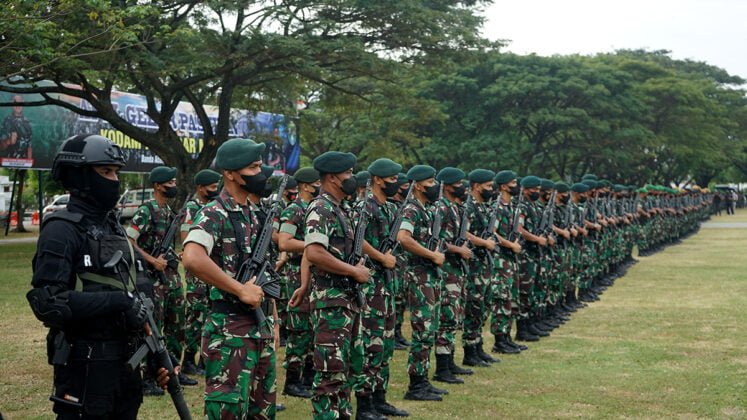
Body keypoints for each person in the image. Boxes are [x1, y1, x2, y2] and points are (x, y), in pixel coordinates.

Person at [27, 134, 172, 418]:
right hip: (86, 369)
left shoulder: (114, 228)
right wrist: (118, 301)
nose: (114, 180)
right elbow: (49, 303)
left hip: (125, 369)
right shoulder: (61, 229)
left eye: (116, 172)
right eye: (106, 172)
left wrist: (156, 355)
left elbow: (138, 292)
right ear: (80, 176)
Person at [182, 138, 277, 419]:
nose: (260, 173)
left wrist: (273, 322)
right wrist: (239, 289)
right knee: (228, 411)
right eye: (253, 167)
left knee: (262, 410)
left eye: (260, 166)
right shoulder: (214, 213)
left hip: (260, 327)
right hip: (228, 333)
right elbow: (192, 256)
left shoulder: (254, 213)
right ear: (230, 173)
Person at [303, 151, 370, 419]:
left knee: (345, 371)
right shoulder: (321, 208)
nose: (352, 178)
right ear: (332, 177)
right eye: (348, 174)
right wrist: (354, 271)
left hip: (345, 300)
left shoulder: (338, 208)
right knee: (330, 375)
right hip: (331, 302)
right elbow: (314, 252)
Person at [126, 166, 197, 390]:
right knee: (153, 327)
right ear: (158, 185)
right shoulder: (147, 210)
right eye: (170, 182)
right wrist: (151, 260)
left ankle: (173, 368)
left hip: (171, 279)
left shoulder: (168, 211)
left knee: (177, 324)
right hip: (152, 280)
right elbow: (129, 241)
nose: (174, 185)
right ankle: (148, 376)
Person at [353, 158, 409, 418]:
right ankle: (365, 404)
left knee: (385, 345)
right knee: (371, 345)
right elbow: (359, 239)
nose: (396, 184)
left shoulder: (388, 207)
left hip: (386, 287)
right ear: (377, 179)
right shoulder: (366, 207)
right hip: (371, 286)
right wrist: (380, 257)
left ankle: (380, 397)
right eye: (392, 179)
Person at [397, 165, 448, 401]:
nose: (434, 186)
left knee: (429, 330)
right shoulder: (411, 209)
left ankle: (423, 380)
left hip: (429, 277)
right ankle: (416, 385)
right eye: (430, 182)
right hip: (418, 276)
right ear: (417, 185)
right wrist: (430, 254)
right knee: (423, 329)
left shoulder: (426, 209)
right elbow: (403, 238)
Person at [278, 167, 321, 400]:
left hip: (317, 274)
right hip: (297, 273)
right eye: (316, 183)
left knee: (314, 329)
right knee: (299, 329)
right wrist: (312, 245)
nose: (319, 186)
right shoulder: (294, 209)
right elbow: (284, 242)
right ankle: (292, 381)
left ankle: (308, 377)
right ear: (305, 185)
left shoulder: (317, 208)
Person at [179, 168, 221, 376]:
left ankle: (205, 359)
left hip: (212, 271)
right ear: (200, 188)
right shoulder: (193, 207)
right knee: (195, 317)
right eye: (212, 187)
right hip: (197, 274)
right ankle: (188, 359)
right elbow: (186, 234)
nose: (216, 190)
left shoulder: (215, 207)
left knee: (210, 317)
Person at [0, 95, 33, 159]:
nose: (18, 104)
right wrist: (8, 141)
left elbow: (29, 147)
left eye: (20, 101)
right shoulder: (6, 121)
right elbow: (1, 148)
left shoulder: (27, 121)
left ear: (23, 102)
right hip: (9, 163)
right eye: (15, 102)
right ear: (11, 104)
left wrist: (29, 164)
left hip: (24, 163)